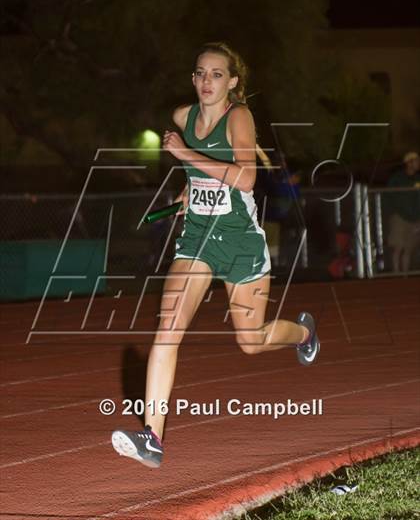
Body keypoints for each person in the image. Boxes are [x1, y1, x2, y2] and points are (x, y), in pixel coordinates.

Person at [111, 42, 320, 468]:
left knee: (250, 340)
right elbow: (202, 171)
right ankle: (153, 437)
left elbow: (245, 179)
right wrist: (192, 185)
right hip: (197, 240)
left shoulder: (238, 117)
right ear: (193, 79)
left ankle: (304, 334)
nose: (207, 82)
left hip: (240, 244)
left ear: (233, 82)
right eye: (201, 73)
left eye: (217, 74)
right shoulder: (182, 118)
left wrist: (188, 157)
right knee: (167, 328)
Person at [386, 151, 420, 273]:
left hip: (414, 218)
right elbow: (389, 196)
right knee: (398, 247)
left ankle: (405, 276)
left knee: (408, 249)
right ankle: (396, 274)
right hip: (399, 217)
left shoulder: (418, 178)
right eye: (416, 161)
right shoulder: (397, 178)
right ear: (409, 163)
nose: (418, 163)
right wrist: (392, 212)